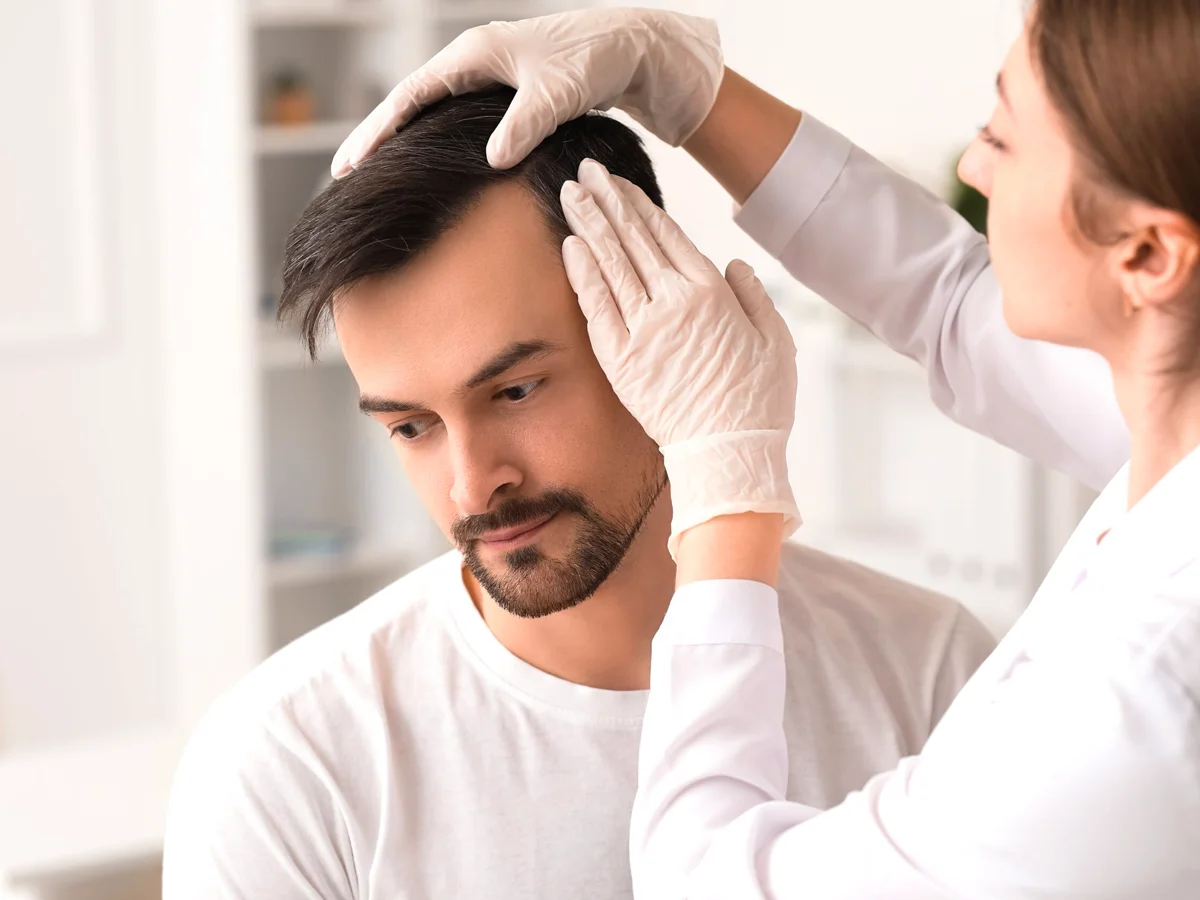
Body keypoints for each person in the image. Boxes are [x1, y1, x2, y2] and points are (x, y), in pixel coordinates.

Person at [339, 3, 1200, 896]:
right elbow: (947, 300)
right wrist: (685, 87)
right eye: (409, 424)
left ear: (1146, 254)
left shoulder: (1123, 712)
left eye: (1003, 138)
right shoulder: (303, 758)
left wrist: (728, 483)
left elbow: (709, 883)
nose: (972, 167)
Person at [160, 88, 994, 899]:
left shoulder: (928, 675)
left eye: (516, 390)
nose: (472, 481)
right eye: (412, 426)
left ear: (662, 315)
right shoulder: (287, 767)